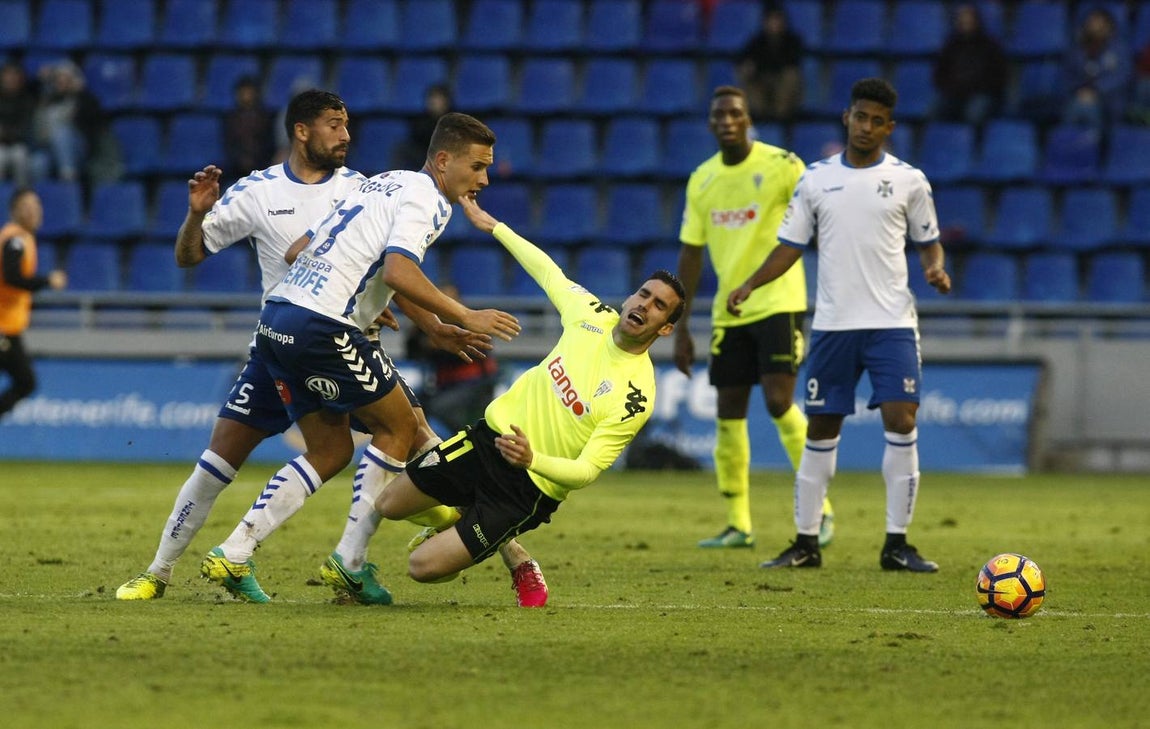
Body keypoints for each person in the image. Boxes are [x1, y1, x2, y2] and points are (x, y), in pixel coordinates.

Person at [197, 112, 528, 606]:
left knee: (329, 451)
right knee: (401, 427)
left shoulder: (384, 183)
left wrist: (419, 319)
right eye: (477, 167)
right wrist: (463, 314)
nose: (483, 179)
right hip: (322, 326)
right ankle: (350, 563)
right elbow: (397, 268)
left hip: (277, 320)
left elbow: (297, 251)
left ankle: (235, 550)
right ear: (443, 161)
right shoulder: (431, 202)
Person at [373, 194, 686, 588]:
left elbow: (586, 471)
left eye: (659, 306)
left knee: (423, 569)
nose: (645, 305)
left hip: (527, 488)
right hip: (489, 441)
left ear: (665, 328)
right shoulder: (590, 316)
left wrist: (532, 458)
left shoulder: (635, 396)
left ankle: (511, 548)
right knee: (388, 505)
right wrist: (494, 227)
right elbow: (548, 272)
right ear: (629, 298)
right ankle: (472, 521)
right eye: (643, 294)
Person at [727, 78, 951, 573]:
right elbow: (790, 246)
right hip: (832, 326)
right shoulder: (816, 179)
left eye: (877, 121)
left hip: (891, 323)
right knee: (822, 429)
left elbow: (928, 239)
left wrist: (935, 266)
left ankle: (896, 544)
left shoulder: (910, 180)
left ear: (889, 128)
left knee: (902, 419)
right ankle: (806, 543)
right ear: (847, 118)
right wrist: (750, 284)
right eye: (860, 117)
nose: (866, 127)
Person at [675, 85, 832, 551]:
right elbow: (691, 253)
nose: (727, 121)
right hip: (729, 312)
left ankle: (819, 511)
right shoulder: (701, 180)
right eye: (719, 114)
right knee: (728, 415)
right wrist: (681, 324)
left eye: (735, 113)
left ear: (748, 119)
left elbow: (818, 222)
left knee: (780, 402)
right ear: (711, 123)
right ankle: (738, 524)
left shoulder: (783, 166)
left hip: (780, 303)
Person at [0, 188, 66, 419]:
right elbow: (12, 277)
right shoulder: (16, 240)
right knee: (25, 382)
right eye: (27, 206)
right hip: (3, 329)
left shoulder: (19, 238)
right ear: (14, 211)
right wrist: (47, 280)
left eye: (36, 205)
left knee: (25, 382)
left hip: (9, 328)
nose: (34, 211)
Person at [406, 281, 499, 434]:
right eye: (442, 299)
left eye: (451, 298)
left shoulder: (471, 323)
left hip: (474, 384)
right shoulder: (430, 326)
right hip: (442, 385)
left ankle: (465, 438)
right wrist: (418, 334)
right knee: (412, 405)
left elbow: (478, 350)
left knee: (440, 407)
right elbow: (411, 354)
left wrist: (438, 345)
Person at [931, 3, 1008, 126]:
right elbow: (939, 74)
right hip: (955, 93)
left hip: (982, 93)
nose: (966, 23)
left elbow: (998, 77)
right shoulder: (950, 46)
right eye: (962, 20)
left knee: (975, 112)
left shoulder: (990, 45)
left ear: (977, 21)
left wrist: (978, 88)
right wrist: (952, 88)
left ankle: (975, 143)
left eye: (969, 20)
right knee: (935, 110)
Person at [1061, 6, 1131, 130]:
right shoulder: (1076, 49)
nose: (1094, 26)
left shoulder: (1119, 49)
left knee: (1087, 108)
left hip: (1108, 98)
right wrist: (1080, 90)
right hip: (1079, 95)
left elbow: (1121, 75)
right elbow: (1067, 74)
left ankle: (1094, 144)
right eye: (1091, 22)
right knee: (1079, 106)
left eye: (1099, 23)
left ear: (1108, 27)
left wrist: (1096, 90)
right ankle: (1069, 143)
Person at [735, 4, 804, 123]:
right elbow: (742, 60)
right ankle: (758, 117)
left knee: (790, 77)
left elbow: (791, 64)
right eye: (770, 20)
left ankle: (780, 118)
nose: (774, 24)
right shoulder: (757, 41)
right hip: (762, 82)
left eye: (777, 20)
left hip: (782, 85)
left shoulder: (792, 41)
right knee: (745, 74)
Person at [222, 75, 276, 187]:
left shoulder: (266, 117)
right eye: (242, 92)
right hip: (236, 165)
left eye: (248, 92)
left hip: (262, 162)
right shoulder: (230, 118)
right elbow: (229, 143)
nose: (246, 96)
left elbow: (269, 142)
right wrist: (240, 159)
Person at [393, 83, 451, 171]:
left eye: (438, 99)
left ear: (446, 101)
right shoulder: (422, 120)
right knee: (402, 148)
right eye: (432, 99)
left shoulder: (453, 120)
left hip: (446, 156)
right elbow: (417, 138)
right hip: (424, 155)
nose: (434, 102)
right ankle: (395, 180)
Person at [0, 62, 37, 186]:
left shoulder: (28, 100)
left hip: (20, 144)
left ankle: (22, 195)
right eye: (7, 76)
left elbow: (26, 127)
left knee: (19, 156)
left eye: (14, 76)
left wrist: (5, 133)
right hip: (1, 146)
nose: (10, 79)